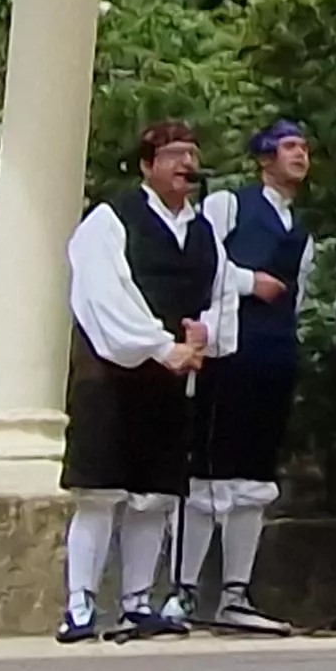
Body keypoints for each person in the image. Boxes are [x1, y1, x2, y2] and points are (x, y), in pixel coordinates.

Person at [58, 121, 228, 643]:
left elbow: (222, 294)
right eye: (173, 154)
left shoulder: (202, 230)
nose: (184, 164)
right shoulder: (110, 220)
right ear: (146, 165)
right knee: (100, 489)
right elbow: (105, 297)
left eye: (191, 155)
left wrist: (205, 335)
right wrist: (160, 346)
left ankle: (136, 599)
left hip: (171, 379)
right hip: (112, 373)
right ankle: (80, 602)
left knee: (153, 493)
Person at [178, 118, 311, 635]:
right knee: (209, 470)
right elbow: (199, 260)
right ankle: (186, 588)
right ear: (264, 158)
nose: (300, 155)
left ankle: (238, 589)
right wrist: (248, 281)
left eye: (303, 147)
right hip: (227, 350)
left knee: (255, 475)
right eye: (290, 147)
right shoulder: (229, 206)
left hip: (273, 356)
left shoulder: (300, 229)